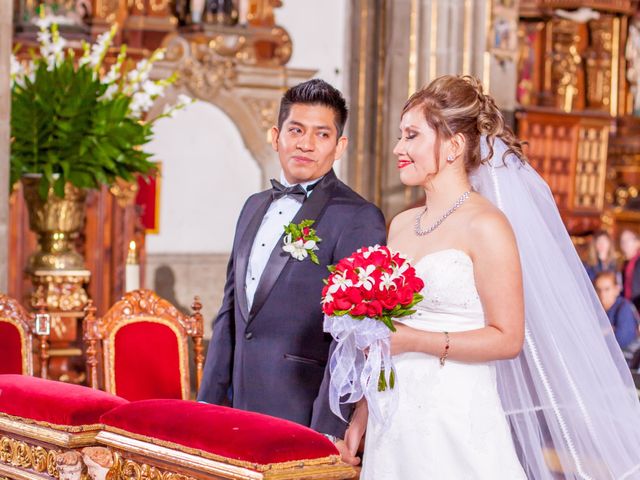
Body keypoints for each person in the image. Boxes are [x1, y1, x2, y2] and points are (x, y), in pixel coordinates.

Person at [344, 75, 640, 479]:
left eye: (412, 135)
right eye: (401, 136)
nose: (398, 148)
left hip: (455, 416)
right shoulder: (401, 224)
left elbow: (508, 337)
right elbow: (387, 335)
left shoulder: (487, 225)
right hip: (392, 417)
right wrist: (363, 412)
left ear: (453, 145)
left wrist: (415, 341)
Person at [197, 79, 386, 463]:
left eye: (322, 134)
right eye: (296, 130)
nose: (305, 143)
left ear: (339, 146)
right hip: (236, 410)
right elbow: (230, 315)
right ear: (276, 135)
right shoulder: (252, 206)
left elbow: (353, 337)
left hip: (303, 411)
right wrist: (206, 407)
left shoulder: (359, 217)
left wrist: (329, 428)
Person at [594, 271, 639, 350]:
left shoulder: (624, 308)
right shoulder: (595, 310)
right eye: (598, 290)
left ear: (616, 289)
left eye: (607, 289)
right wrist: (608, 331)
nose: (602, 294)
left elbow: (622, 340)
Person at [621, 228, 640, 311]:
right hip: (629, 307)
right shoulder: (625, 264)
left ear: (637, 243)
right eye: (622, 241)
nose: (624, 243)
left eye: (628, 240)